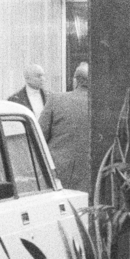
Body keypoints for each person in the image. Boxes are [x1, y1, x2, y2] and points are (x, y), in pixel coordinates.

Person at [40, 62, 91, 193]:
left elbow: (40, 136)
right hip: (90, 174)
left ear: (76, 81)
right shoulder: (101, 106)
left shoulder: (56, 100)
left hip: (59, 172)